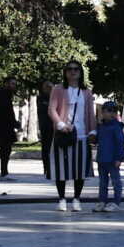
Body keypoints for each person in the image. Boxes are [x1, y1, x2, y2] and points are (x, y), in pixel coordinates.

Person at [46, 63, 92, 213]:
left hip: (81, 134)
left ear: (80, 72)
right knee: (61, 168)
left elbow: (90, 113)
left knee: (79, 169)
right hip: (63, 133)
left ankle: (77, 199)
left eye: (76, 69)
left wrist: (93, 132)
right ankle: (61, 199)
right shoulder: (58, 89)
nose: (73, 72)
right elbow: (52, 109)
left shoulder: (86, 92)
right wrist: (60, 124)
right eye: (69, 69)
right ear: (65, 72)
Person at [92, 90, 124, 212]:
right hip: (102, 159)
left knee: (115, 181)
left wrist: (119, 158)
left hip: (113, 159)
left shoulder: (116, 127)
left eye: (114, 111)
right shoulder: (100, 127)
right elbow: (97, 140)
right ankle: (102, 201)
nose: (112, 113)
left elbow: (120, 143)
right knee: (103, 182)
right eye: (109, 111)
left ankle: (116, 201)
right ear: (102, 112)